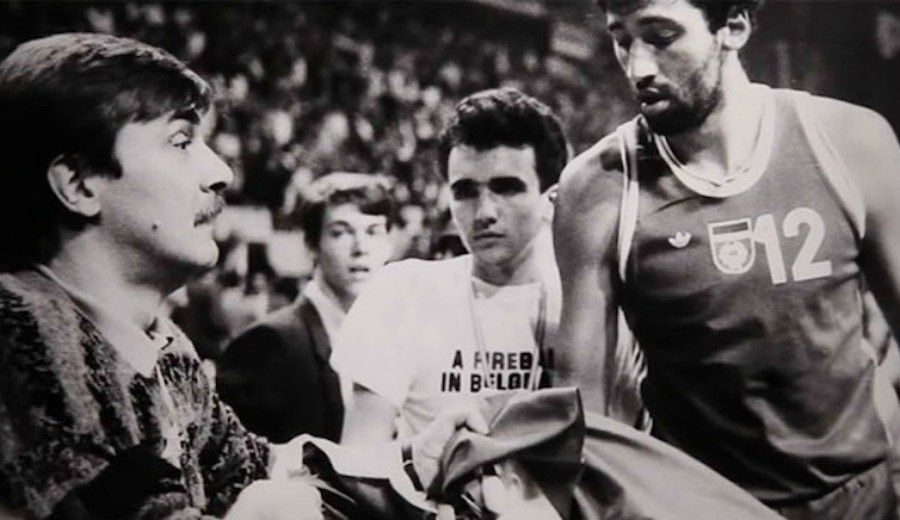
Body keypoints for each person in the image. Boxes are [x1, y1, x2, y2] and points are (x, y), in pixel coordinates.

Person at [0, 33, 484, 519]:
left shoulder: (164, 345)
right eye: (181, 142)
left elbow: (254, 469)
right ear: (79, 184)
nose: (222, 172)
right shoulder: (20, 334)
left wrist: (412, 463)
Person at [553, 0, 900, 517]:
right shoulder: (596, 190)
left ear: (733, 26)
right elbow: (584, 419)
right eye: (622, 39)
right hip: (702, 506)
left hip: (859, 501)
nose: (638, 66)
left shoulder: (850, 142)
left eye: (661, 36)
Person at [333, 87, 572, 442]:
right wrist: (425, 453)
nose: (485, 212)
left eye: (507, 188)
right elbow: (358, 455)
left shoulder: (587, 301)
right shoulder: (402, 294)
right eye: (465, 192)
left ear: (552, 196)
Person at [217, 172, 396, 443]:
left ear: (389, 244)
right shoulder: (268, 345)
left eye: (373, 232)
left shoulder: (396, 337)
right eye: (340, 233)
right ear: (312, 246)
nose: (360, 247)